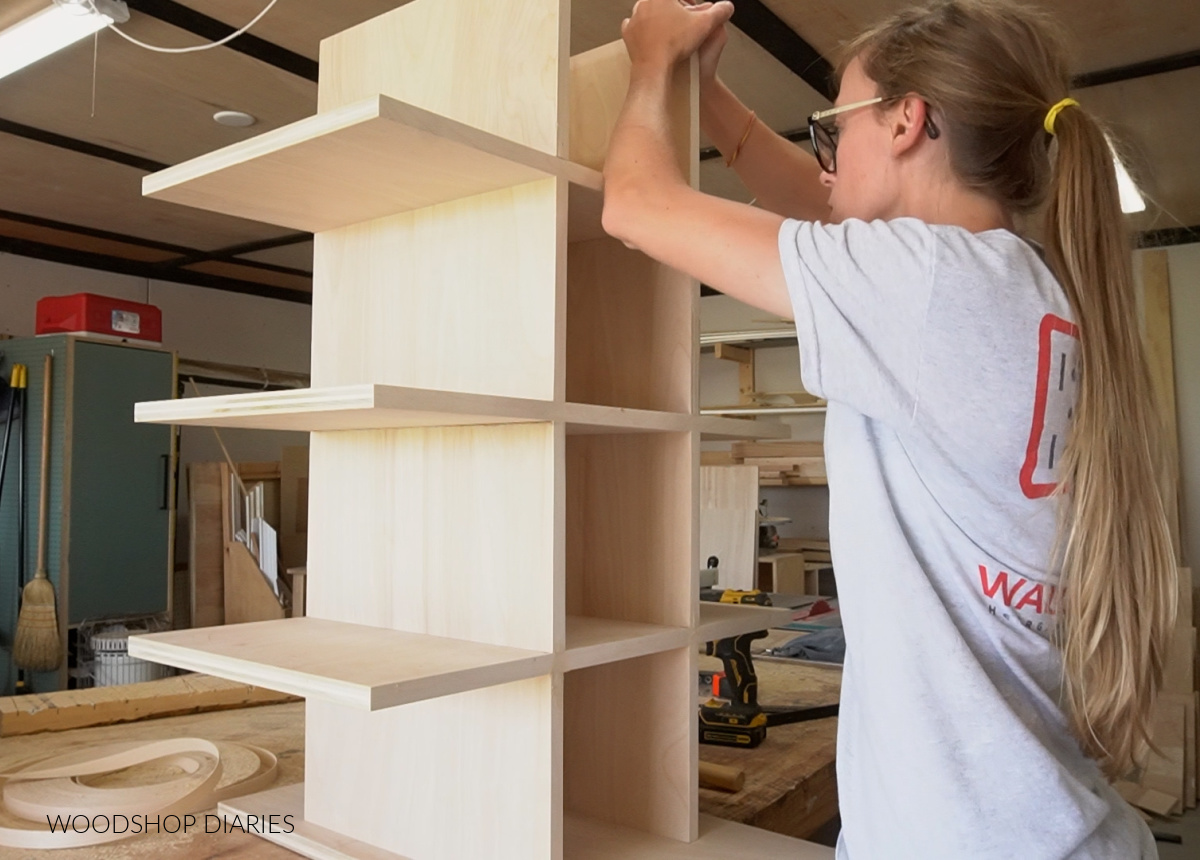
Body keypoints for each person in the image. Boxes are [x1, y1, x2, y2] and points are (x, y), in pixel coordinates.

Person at [602, 1, 1178, 857]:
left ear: (908, 121)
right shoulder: (1015, 284)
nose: (828, 159)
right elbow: (822, 206)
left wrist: (652, 65)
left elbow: (635, 208)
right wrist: (707, 91)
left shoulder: (929, 289)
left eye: (835, 126)